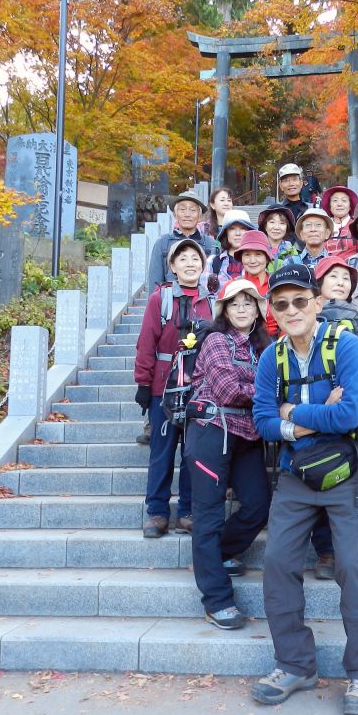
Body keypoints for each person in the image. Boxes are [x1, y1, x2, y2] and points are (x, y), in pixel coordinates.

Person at [251, 264, 358, 715]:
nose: (292, 310)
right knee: (278, 563)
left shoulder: (345, 344)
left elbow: (348, 415)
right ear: (273, 310)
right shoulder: (272, 357)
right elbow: (262, 421)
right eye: (281, 303)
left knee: (352, 566)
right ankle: (294, 664)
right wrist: (308, 417)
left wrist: (293, 415)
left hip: (349, 472)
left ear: (318, 302)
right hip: (295, 476)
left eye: (300, 300)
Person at [183, 278, 273, 631]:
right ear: (223, 309)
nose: (241, 309)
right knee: (207, 514)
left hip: (247, 435)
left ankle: (214, 556)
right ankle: (216, 599)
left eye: (248, 303)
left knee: (258, 505)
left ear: (257, 309)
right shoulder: (216, 341)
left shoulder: (262, 345)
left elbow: (267, 383)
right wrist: (266, 388)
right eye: (234, 303)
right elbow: (227, 389)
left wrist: (259, 385)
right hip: (210, 432)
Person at [135, 238, 215, 538]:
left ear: (203, 263)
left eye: (195, 258)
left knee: (194, 452)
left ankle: (188, 510)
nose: (190, 263)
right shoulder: (161, 298)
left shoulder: (212, 301)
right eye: (182, 259)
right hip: (164, 386)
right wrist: (143, 382)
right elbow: (146, 342)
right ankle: (156, 512)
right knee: (162, 450)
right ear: (172, 266)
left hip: (201, 387)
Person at [147, 189, 219, 292]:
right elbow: (155, 283)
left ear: (199, 216)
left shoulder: (210, 245)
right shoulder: (162, 243)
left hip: (201, 303)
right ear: (175, 215)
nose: (187, 214)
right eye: (182, 209)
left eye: (193, 210)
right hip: (171, 303)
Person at [233, 229, 279, 337]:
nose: (252, 260)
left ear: (267, 258)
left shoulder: (278, 284)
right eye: (247, 255)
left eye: (258, 254)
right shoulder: (233, 286)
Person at [206, 209, 256, 292]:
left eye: (242, 228)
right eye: (232, 229)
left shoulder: (257, 262)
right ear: (226, 233)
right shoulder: (212, 262)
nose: (238, 233)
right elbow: (206, 296)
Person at [257, 204, 301, 270]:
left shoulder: (292, 251)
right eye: (272, 222)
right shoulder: (257, 249)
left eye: (282, 223)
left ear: (287, 227)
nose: (277, 227)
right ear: (265, 226)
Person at [322, 185, 358, 257]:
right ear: (329, 207)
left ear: (350, 206)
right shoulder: (322, 227)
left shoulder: (357, 225)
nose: (339, 204)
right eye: (335, 200)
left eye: (344, 200)